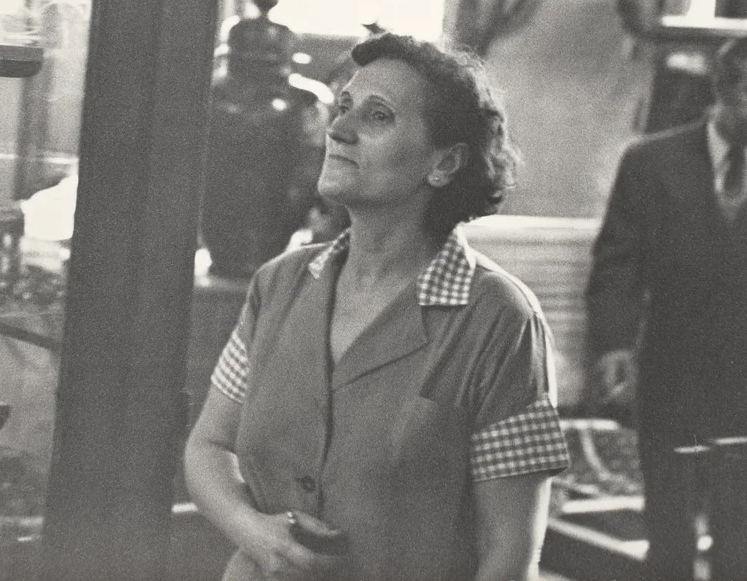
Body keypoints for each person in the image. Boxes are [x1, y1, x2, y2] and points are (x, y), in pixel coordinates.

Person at [185, 33, 570, 581]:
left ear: (444, 163)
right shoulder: (280, 283)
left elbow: (507, 550)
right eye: (342, 108)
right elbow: (209, 444)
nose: (338, 130)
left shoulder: (499, 319)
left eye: (378, 116)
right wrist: (253, 531)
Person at [585, 30, 747, 580]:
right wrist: (614, 344)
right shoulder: (651, 162)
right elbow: (618, 262)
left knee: (742, 533)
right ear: (722, 89)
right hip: (671, 368)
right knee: (670, 534)